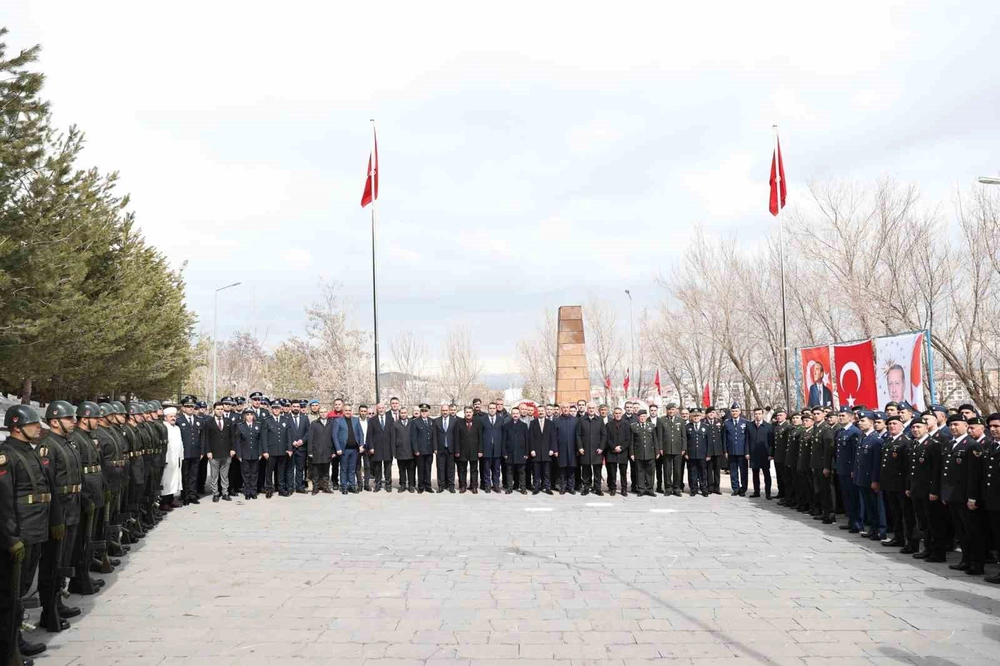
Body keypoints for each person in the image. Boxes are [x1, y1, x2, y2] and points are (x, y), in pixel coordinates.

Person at [36, 401, 81, 633]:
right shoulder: (47, 446)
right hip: (59, 510)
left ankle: (58, 603)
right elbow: (48, 484)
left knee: (63, 560)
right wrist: (54, 518)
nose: (74, 421)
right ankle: (49, 610)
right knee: (52, 563)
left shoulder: (67, 442)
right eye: (68, 418)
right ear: (54, 422)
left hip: (71, 507)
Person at [942, 413, 985, 574]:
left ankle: (976, 563)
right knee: (960, 531)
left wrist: (972, 497)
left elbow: (974, 475)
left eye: (956, 424)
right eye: (951, 425)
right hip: (953, 495)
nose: (953, 427)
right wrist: (945, 493)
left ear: (966, 426)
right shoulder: (950, 444)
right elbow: (946, 473)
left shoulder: (972, 445)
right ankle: (965, 559)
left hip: (966, 496)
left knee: (972, 531)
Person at [906, 415, 944, 562]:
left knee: (933, 523)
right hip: (917, 490)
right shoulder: (914, 444)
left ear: (926, 428)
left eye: (919, 427)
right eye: (913, 427)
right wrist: (909, 487)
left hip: (929, 491)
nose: (915, 430)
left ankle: (938, 552)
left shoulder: (933, 445)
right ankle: (928, 549)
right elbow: (911, 469)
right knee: (923, 522)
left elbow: (936, 470)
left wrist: (934, 491)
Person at [880, 415, 914, 549]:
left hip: (901, 485)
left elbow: (907, 467)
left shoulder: (905, 442)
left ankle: (910, 541)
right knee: (895, 513)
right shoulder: (889, 440)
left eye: (895, 423)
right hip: (890, 484)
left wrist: (907, 486)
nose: (892, 426)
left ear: (902, 426)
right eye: (890, 424)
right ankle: (898, 538)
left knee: (906, 514)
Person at [856, 411, 885, 541]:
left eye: (863, 421)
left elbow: (876, 463)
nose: (859, 423)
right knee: (869, 505)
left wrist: (875, 480)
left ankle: (881, 530)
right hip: (863, 477)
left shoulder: (876, 440)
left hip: (871, 478)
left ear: (871, 423)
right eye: (859, 420)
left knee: (877, 506)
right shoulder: (863, 437)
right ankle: (873, 529)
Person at [834, 407, 862, 533]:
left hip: (850, 470)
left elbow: (855, 454)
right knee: (846, 497)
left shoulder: (854, 432)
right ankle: (851, 520)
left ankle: (857, 523)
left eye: (843, 416)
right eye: (839, 415)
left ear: (851, 417)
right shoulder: (841, 431)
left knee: (853, 497)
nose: (841, 418)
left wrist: (853, 470)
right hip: (842, 469)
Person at [175, 396, 204, 505]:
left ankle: (192, 495)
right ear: (183, 408)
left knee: (194, 475)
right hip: (184, 453)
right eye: (188, 406)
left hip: (196, 452)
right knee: (185, 475)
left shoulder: (199, 420)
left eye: (192, 406)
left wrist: (202, 451)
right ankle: (185, 496)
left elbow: (202, 438)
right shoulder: (179, 421)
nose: (191, 408)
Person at [204, 402, 234, 502]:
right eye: (218, 409)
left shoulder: (228, 421)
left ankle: (225, 493)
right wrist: (208, 451)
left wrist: (232, 449)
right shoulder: (209, 422)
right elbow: (206, 438)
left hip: (226, 453)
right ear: (214, 410)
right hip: (214, 453)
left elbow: (232, 437)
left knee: (225, 475)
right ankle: (215, 493)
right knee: (214, 475)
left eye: (222, 409)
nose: (220, 411)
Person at [983, 413, 1000, 583]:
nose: (993, 429)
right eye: (991, 426)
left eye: (997, 426)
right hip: (993, 501)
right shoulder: (990, 446)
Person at [575, 402, 605, 496]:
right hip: (585, 450)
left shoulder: (600, 420)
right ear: (587, 409)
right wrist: (580, 447)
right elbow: (578, 435)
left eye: (593, 408)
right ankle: (586, 488)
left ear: (595, 409)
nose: (591, 409)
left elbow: (604, 435)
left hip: (597, 451)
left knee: (597, 471)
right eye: (589, 408)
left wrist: (601, 447)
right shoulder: (582, 420)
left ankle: (597, 488)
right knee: (586, 471)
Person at [334, 405, 364, 494]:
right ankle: (344, 487)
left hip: (354, 449)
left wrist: (361, 445)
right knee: (344, 468)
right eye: (346, 410)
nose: (348, 412)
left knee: (352, 469)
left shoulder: (356, 420)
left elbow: (361, 433)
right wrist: (338, 448)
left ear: (352, 411)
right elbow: (334, 436)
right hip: (344, 449)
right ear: (343, 411)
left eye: (349, 410)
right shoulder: (338, 421)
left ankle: (351, 485)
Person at [747, 407, 774, 499]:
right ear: (753, 415)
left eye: (759, 414)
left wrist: (770, 454)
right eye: (756, 414)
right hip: (753, 453)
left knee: (766, 474)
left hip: (765, 454)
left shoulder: (768, 426)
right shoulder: (749, 426)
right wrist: (747, 452)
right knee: (755, 474)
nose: (757, 416)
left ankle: (768, 493)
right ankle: (756, 491)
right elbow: (747, 440)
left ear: (762, 414)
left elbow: (771, 442)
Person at [659, 403, 686, 497]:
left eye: (673, 409)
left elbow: (683, 436)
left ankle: (676, 488)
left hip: (678, 449)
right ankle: (668, 488)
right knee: (667, 470)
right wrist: (661, 448)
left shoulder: (681, 421)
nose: (671, 411)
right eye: (669, 409)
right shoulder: (662, 420)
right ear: (667, 410)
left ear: (676, 410)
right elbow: (660, 436)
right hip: (666, 448)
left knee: (677, 470)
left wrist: (683, 448)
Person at [502, 406, 530, 494]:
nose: (515, 415)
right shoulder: (506, 425)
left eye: (517, 413)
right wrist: (504, 453)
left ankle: (523, 488)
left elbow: (527, 440)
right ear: (511, 414)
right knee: (509, 472)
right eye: (513, 413)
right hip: (509, 453)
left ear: (519, 414)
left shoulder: (524, 425)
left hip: (521, 453)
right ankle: (509, 488)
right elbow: (504, 440)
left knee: (522, 472)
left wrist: (526, 453)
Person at [723, 403, 749, 496]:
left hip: (742, 452)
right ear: (731, 412)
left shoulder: (745, 422)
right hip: (731, 451)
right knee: (733, 471)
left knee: (743, 471)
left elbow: (747, 439)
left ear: (740, 412)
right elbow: (724, 438)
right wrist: (725, 451)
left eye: (736, 411)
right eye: (733, 411)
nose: (734, 413)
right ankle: (735, 488)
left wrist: (747, 452)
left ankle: (743, 489)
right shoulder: (726, 423)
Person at [604, 407, 630, 496]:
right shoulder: (608, 425)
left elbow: (628, 439)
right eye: (616, 413)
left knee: (623, 472)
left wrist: (621, 447)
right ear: (613, 414)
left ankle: (624, 489)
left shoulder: (626, 424)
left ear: (621, 414)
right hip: (612, 451)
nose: (618, 415)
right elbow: (607, 438)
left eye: (619, 413)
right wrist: (614, 447)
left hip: (623, 452)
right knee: (612, 472)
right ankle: (613, 488)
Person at [285, 400, 311, 494]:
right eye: (294, 406)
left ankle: (299, 487)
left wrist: (302, 441)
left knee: (300, 469)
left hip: (302, 448)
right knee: (290, 469)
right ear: (291, 407)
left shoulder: (305, 418)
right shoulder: (286, 418)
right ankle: (290, 487)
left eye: (297, 406)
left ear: (300, 407)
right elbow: (284, 432)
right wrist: (292, 442)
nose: (296, 408)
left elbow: (308, 432)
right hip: (290, 448)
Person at [367, 403, 393, 492]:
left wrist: (393, 448)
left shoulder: (390, 419)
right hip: (376, 447)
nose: (381, 410)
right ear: (377, 409)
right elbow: (369, 435)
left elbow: (392, 434)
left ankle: (388, 485)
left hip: (388, 447)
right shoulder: (372, 420)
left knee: (388, 467)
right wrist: (371, 447)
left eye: (382, 408)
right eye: (379, 408)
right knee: (377, 467)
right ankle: (378, 484)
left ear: (385, 409)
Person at [630, 410, 656, 497]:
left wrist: (657, 451)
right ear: (638, 417)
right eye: (641, 416)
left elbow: (655, 439)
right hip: (639, 453)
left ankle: (649, 489)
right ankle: (641, 489)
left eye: (644, 416)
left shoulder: (651, 426)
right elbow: (632, 441)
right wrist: (632, 453)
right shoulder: (633, 426)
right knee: (640, 471)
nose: (642, 418)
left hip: (650, 452)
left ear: (646, 417)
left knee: (650, 472)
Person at [456, 406, 482, 493]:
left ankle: (474, 486)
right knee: (462, 470)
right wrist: (457, 450)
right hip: (462, 451)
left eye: (470, 412)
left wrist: (480, 450)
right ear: (464, 413)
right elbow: (456, 438)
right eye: (467, 412)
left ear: (472, 413)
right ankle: (463, 486)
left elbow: (480, 438)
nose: (468, 414)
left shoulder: (478, 422)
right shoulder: (459, 423)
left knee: (474, 470)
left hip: (474, 451)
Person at [528, 406, 554, 495]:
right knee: (536, 472)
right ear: (537, 412)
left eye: (542, 411)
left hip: (547, 451)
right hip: (536, 452)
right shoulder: (533, 423)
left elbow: (553, 437)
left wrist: (552, 449)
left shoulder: (550, 423)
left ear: (545, 411)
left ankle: (547, 488)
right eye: (539, 411)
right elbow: (531, 437)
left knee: (547, 472)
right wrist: (532, 449)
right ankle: (536, 488)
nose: (541, 412)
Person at [554, 403, 579, 495]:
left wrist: (578, 448)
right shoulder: (556, 420)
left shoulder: (575, 420)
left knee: (571, 469)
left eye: (567, 407)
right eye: (564, 407)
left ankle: (571, 487)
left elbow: (578, 435)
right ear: (561, 409)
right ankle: (563, 487)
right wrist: (555, 449)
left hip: (573, 449)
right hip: (561, 449)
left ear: (569, 408)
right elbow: (554, 436)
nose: (565, 409)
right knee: (562, 469)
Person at [480, 402, 504, 493]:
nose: (492, 410)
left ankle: (496, 485)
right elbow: (480, 435)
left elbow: (503, 434)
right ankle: (487, 486)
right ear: (488, 409)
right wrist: (481, 449)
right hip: (486, 448)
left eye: (494, 408)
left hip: (497, 448)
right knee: (486, 469)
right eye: (490, 408)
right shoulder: (483, 419)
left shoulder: (501, 419)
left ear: (496, 409)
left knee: (497, 469)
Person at [411, 404, 435, 493]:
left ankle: (428, 486)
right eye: (422, 411)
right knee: (420, 469)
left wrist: (434, 448)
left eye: (425, 411)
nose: (424, 412)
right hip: (420, 451)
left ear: (428, 412)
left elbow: (433, 436)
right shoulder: (415, 422)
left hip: (429, 450)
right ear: (420, 412)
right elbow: (414, 438)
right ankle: (421, 486)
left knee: (428, 469)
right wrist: (416, 450)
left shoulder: (432, 421)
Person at [308, 408, 333, 494]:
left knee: (326, 470)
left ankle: (325, 487)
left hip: (327, 450)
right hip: (317, 451)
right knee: (316, 471)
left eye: (324, 412)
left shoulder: (331, 423)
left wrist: (333, 451)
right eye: (321, 412)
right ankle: (315, 488)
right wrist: (310, 451)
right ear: (319, 413)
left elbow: (333, 438)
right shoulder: (314, 423)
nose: (323, 414)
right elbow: (310, 438)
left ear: (327, 413)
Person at [685, 408, 709, 496]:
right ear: (691, 417)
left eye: (697, 415)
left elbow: (709, 442)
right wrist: (686, 453)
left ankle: (704, 489)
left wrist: (708, 454)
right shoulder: (687, 427)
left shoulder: (706, 427)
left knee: (703, 472)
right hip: (691, 454)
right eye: (694, 416)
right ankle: (693, 489)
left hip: (702, 454)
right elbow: (685, 441)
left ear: (701, 416)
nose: (696, 417)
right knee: (693, 472)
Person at [434, 403, 457, 493]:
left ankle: (451, 486)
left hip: (451, 449)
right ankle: (441, 486)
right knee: (440, 468)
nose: (445, 412)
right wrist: (435, 448)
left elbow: (456, 436)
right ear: (441, 411)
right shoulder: (436, 421)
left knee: (451, 468)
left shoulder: (454, 421)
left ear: (449, 411)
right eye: (443, 410)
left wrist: (456, 449)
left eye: (446, 410)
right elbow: (434, 435)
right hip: (440, 449)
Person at [391, 407, 415, 493]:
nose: (403, 414)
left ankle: (411, 485)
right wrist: (394, 452)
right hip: (400, 450)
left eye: (405, 413)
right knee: (401, 469)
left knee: (411, 469)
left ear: (407, 413)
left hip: (410, 450)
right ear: (399, 414)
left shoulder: (412, 422)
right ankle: (403, 485)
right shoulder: (395, 424)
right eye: (402, 413)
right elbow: (393, 438)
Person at [704, 407, 726, 495]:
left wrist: (724, 450)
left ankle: (717, 487)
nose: (711, 414)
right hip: (708, 451)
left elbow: (723, 436)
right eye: (709, 412)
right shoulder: (703, 422)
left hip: (718, 450)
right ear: (706, 414)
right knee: (709, 469)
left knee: (717, 470)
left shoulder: (719, 422)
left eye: (713, 412)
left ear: (715, 413)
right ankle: (710, 487)